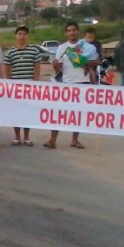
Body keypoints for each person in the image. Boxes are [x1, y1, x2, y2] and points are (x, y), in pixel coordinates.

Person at [44, 21, 99, 150]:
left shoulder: (86, 46)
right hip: (67, 83)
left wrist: (83, 62)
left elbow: (97, 61)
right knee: (59, 113)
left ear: (77, 31)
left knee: (78, 114)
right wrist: (56, 65)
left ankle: (74, 140)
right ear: (66, 33)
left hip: (83, 82)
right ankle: (52, 140)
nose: (72, 32)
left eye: (74, 30)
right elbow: (58, 68)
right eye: (69, 30)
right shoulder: (62, 48)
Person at [4, 25, 41, 146]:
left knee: (27, 113)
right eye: (19, 34)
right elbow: (7, 69)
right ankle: (16, 137)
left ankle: (27, 137)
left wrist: (34, 83)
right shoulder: (10, 52)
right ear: (16, 36)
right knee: (16, 113)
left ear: (27, 36)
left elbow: (37, 68)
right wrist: (9, 83)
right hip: (16, 88)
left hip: (29, 87)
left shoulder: (34, 51)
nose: (22, 36)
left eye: (24, 34)